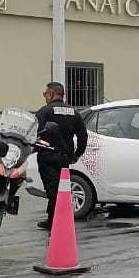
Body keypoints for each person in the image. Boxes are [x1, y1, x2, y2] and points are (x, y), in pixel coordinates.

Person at [35, 81, 88, 231]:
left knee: (53, 190)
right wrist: (77, 154)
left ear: (52, 94)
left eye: (46, 94)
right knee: (60, 188)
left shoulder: (45, 111)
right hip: (65, 157)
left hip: (47, 156)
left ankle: (55, 221)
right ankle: (54, 218)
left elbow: (33, 132)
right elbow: (83, 135)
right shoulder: (74, 112)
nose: (45, 96)